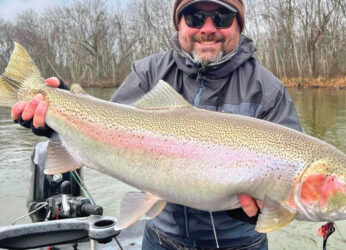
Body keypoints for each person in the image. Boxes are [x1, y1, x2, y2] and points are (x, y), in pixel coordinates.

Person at [11, 0, 302, 249]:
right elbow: (107, 126)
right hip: (160, 238)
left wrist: (253, 213)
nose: (208, 28)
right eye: (196, 17)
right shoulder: (149, 72)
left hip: (240, 243)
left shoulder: (268, 90)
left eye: (222, 18)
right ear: (180, 24)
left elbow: (293, 179)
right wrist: (58, 114)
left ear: (238, 25)